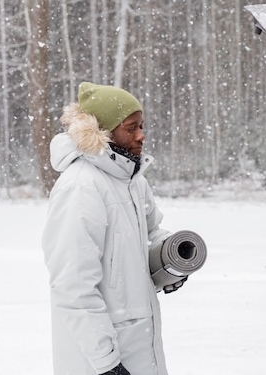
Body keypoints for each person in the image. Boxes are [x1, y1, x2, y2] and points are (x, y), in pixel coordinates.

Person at [42, 82, 182, 375]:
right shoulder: (81, 186)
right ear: (102, 132)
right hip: (99, 360)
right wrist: (107, 364)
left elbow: (152, 232)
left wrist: (170, 260)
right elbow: (73, 286)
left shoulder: (132, 181)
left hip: (141, 347)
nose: (141, 135)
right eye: (131, 128)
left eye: (142, 126)